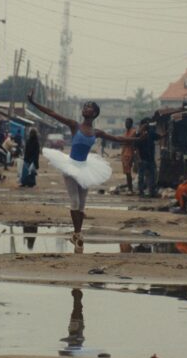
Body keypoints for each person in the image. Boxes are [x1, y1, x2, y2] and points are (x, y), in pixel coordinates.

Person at [27, 89, 147, 252]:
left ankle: (77, 234)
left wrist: (137, 139)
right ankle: (78, 234)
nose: (85, 108)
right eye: (85, 106)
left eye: (89, 107)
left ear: (95, 113)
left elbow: (118, 139)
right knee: (75, 202)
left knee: (82, 205)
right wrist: (33, 102)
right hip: (70, 166)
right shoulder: (74, 125)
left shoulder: (96, 132)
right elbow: (52, 113)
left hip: (85, 168)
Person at [136, 117, 158, 198]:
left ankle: (152, 192)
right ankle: (141, 191)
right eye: (146, 123)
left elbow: (159, 136)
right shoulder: (138, 135)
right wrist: (139, 159)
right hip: (143, 159)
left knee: (152, 176)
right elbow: (136, 148)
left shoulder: (151, 133)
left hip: (150, 159)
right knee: (141, 176)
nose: (147, 125)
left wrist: (166, 133)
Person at [119, 118, 136, 193]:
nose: (126, 124)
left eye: (128, 123)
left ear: (131, 124)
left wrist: (123, 141)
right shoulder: (126, 132)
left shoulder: (133, 132)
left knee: (128, 172)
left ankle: (130, 189)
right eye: (126, 123)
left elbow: (128, 141)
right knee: (127, 172)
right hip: (124, 153)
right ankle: (129, 188)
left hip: (129, 153)